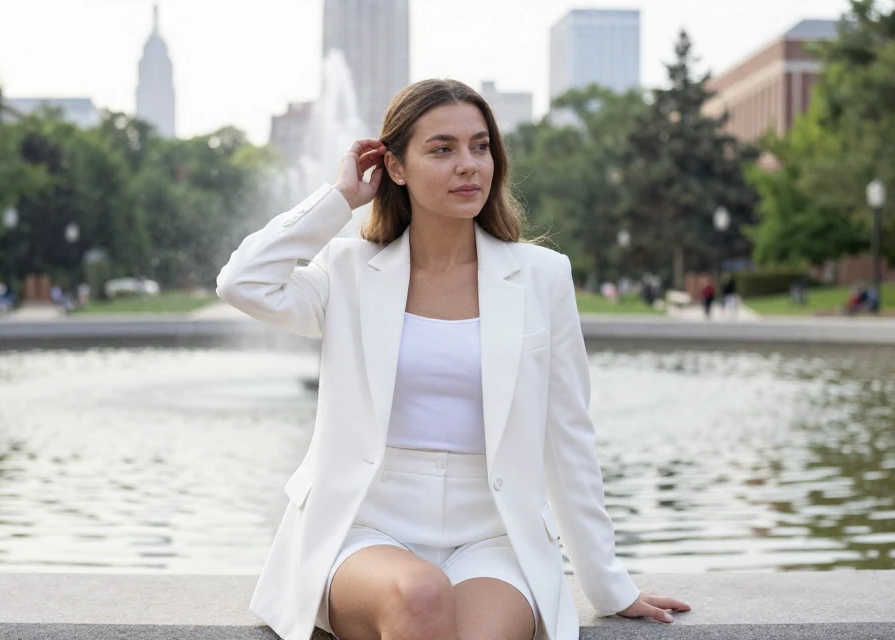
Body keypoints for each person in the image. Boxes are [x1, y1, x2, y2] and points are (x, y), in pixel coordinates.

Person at [217, 79, 688, 640]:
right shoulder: (348, 271)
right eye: (442, 149)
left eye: (480, 146)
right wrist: (338, 199)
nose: (468, 165)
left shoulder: (541, 278)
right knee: (420, 596)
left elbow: (569, 439)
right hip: (363, 527)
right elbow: (243, 283)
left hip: (493, 539)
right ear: (394, 167)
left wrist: (611, 586)